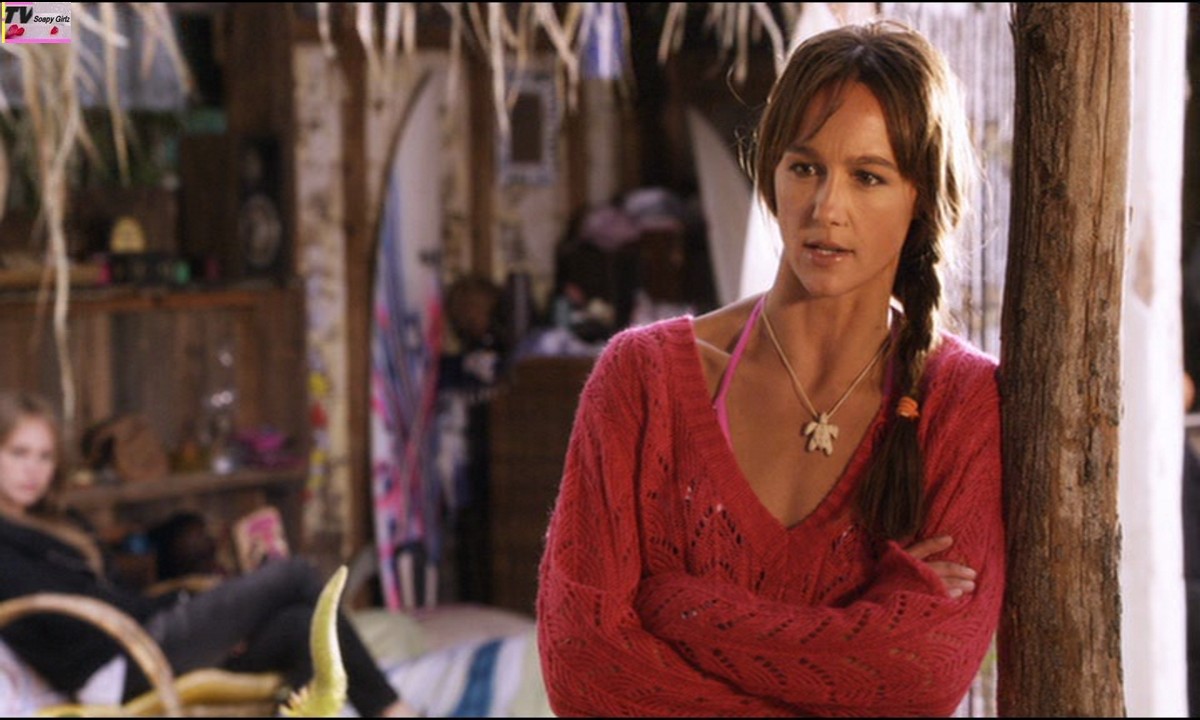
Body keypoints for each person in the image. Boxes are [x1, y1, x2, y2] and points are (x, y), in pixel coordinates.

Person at [536, 18, 1003, 717]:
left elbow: (920, 674)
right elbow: (584, 671)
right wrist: (846, 653)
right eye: (805, 167)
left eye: (868, 177)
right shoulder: (644, 381)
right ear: (770, 172)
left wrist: (680, 610)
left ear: (922, 198)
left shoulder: (958, 402)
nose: (826, 208)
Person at [0, 390, 417, 717]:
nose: (32, 470)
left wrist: (196, 608)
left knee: (300, 626)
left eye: (44, 456)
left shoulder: (64, 521)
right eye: (18, 453)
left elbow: (118, 592)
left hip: (143, 638)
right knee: (294, 575)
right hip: (114, 666)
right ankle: (396, 712)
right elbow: (68, 614)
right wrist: (187, 606)